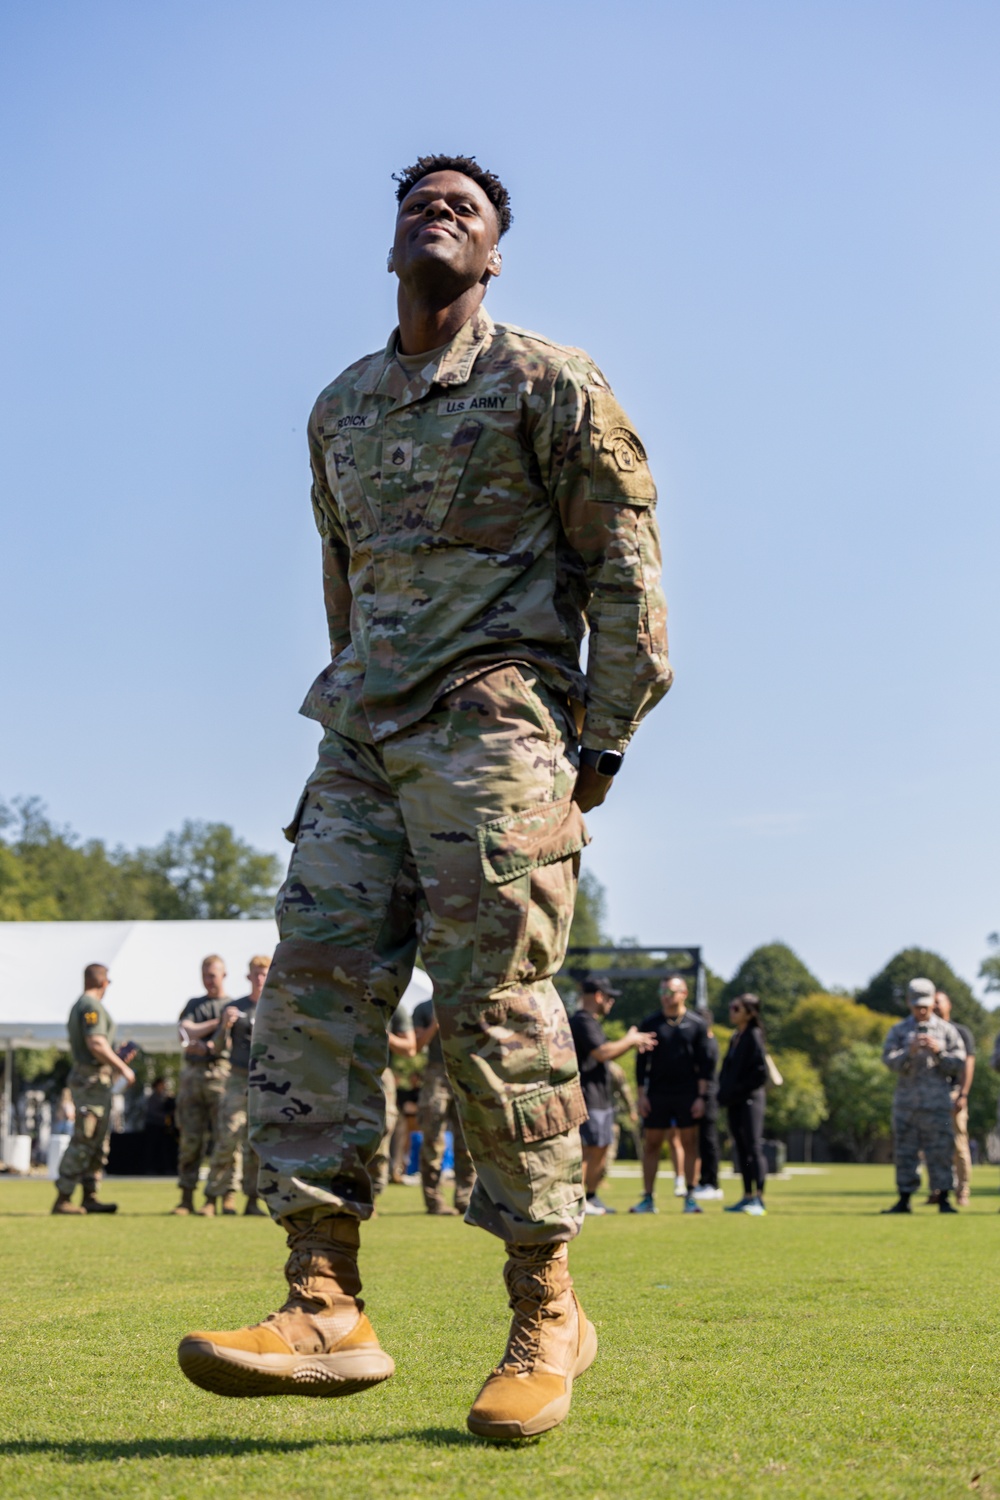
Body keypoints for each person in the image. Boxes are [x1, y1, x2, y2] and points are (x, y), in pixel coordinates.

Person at [177, 152, 671, 1442]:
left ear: (495, 252)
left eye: (465, 206)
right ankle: (323, 1303)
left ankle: (546, 1307)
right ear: (389, 242)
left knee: (492, 1010)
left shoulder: (546, 381)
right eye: (418, 202)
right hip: (359, 738)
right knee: (311, 1000)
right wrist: (354, 694)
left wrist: (598, 740)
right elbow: (343, 579)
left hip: (495, 724)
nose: (437, 213)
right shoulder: (340, 406)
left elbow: (623, 566)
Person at [569, 977, 657, 1215]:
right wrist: (630, 1040)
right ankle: (578, 1203)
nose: (611, 1002)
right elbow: (602, 1053)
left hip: (601, 1097)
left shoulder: (593, 1022)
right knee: (589, 1148)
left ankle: (592, 1197)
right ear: (598, 996)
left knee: (602, 1146)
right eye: (609, 997)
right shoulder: (581, 1021)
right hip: (587, 1096)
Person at [52, 964, 135, 1215]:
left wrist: (115, 1059)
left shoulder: (84, 1005)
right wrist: (122, 1066)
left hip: (96, 1080)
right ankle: (63, 1197)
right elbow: (96, 1042)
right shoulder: (91, 1006)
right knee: (85, 1137)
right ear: (103, 982)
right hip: (91, 1080)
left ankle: (90, 1195)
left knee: (98, 1138)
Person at [881, 977, 966, 1215]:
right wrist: (908, 1053)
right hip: (906, 1105)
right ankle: (904, 1198)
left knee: (940, 1151)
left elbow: (959, 1063)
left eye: (925, 1005)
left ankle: (944, 1197)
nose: (921, 1009)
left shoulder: (947, 1031)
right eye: (916, 1004)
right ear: (908, 1002)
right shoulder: (899, 1031)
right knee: (905, 1152)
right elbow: (888, 1061)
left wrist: (939, 1052)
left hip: (938, 1104)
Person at [631, 976, 714, 1215]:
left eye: (671, 991)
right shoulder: (651, 1023)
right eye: (663, 991)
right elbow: (641, 1064)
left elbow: (704, 1066)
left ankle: (690, 1196)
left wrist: (701, 1097)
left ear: (684, 993)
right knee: (652, 1144)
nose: (666, 995)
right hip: (656, 1093)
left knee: (689, 1143)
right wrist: (641, 1095)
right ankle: (647, 1198)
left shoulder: (697, 1024)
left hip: (688, 1094)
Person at [202, 956, 272, 1216]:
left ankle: (252, 1199)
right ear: (248, 976)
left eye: (264, 974)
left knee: (258, 1142)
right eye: (256, 974)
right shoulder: (236, 1007)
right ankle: (212, 1197)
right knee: (228, 1136)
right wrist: (224, 1025)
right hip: (238, 1078)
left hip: (266, 1083)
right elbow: (217, 1048)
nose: (260, 979)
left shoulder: (277, 1007)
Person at [172, 956, 232, 1216]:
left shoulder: (233, 1005)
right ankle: (186, 1197)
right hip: (192, 1077)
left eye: (213, 975)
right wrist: (218, 1025)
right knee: (190, 1139)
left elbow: (231, 1042)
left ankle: (224, 1196)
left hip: (221, 1076)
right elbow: (184, 1031)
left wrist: (202, 1036)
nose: (209, 980)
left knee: (225, 1140)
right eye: (205, 975)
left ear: (224, 975)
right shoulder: (194, 1004)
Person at [412, 995, 476, 1215]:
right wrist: (436, 1024)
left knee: (467, 1142)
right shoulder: (424, 1007)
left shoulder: (468, 1004)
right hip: (436, 1074)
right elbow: (417, 1045)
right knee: (433, 1140)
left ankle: (465, 1199)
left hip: (465, 1073)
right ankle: (434, 1201)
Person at [718, 993, 769, 1215]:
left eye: (736, 1008)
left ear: (750, 1012)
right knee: (740, 1148)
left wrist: (739, 1091)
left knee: (753, 1147)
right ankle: (746, 1195)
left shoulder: (754, 1035)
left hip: (750, 1100)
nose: (732, 1011)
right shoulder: (736, 1036)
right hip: (735, 1102)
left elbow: (760, 1073)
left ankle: (758, 1197)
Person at [369, 1003, 417, 1200]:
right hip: (340, 1071)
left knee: (382, 1130)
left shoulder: (393, 1006)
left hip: (379, 1072)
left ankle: (373, 1193)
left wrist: (381, 1034)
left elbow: (411, 1048)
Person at [933, 990, 975, 1208]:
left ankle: (962, 1190)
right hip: (930, 1096)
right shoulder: (926, 1031)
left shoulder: (960, 1032)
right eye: (933, 1003)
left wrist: (963, 1094)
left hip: (952, 1094)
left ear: (949, 1005)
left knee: (958, 1145)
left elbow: (968, 1064)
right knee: (933, 1145)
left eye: (939, 1002)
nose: (936, 1006)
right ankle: (938, 1190)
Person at [689, 1016, 723, 1201]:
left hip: (708, 1095)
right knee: (703, 1140)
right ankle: (705, 1181)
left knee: (708, 1141)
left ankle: (711, 1182)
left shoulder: (708, 1043)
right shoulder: (706, 1042)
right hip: (704, 1095)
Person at [143, 1077, 177, 1176]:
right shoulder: (153, 1098)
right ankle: (150, 1169)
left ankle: (165, 1169)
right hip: (153, 1125)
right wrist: (167, 1115)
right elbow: (152, 1112)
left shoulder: (165, 1096)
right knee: (152, 1148)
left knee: (164, 1149)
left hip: (162, 1126)